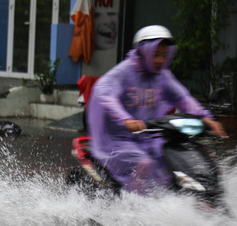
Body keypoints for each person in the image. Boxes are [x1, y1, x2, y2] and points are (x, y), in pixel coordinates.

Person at [86, 25, 226, 194]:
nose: (160, 60)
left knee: (179, 158)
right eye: (155, 54)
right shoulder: (124, 72)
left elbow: (182, 98)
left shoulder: (162, 76)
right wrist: (126, 119)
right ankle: (134, 204)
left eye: (164, 55)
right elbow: (106, 95)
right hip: (118, 141)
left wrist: (206, 118)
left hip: (149, 136)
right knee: (145, 163)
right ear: (142, 52)